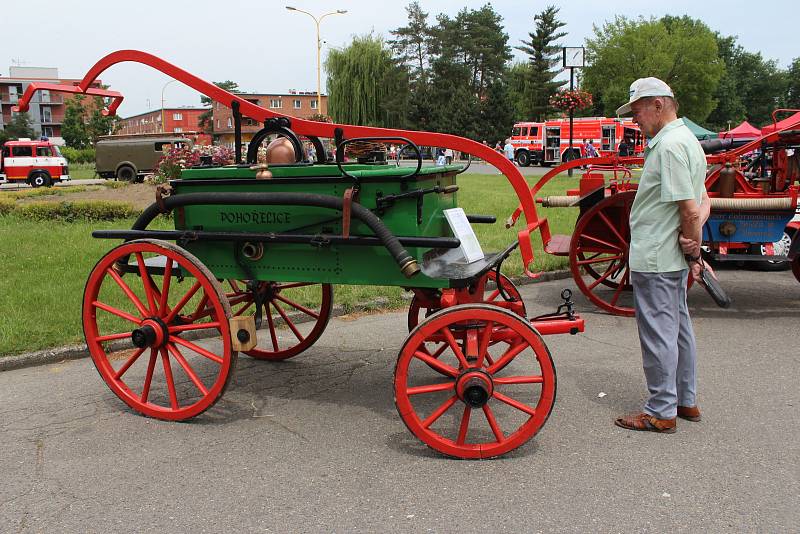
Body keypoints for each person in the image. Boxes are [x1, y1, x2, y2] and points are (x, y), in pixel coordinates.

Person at [613, 77, 714, 434]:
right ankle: (685, 400)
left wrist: (693, 241)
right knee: (680, 330)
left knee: (658, 334)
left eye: (637, 111)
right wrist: (693, 246)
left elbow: (690, 210)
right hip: (670, 256)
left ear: (658, 105)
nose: (634, 120)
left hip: (655, 255)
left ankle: (660, 410)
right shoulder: (688, 141)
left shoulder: (668, 146)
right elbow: (705, 203)